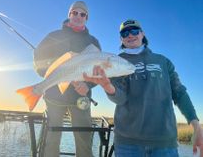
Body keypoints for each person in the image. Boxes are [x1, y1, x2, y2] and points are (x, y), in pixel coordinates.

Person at [84, 19, 203, 157]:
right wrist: (107, 86)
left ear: (142, 34)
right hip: (127, 144)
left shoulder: (162, 61)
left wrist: (196, 126)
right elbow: (121, 98)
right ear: (121, 38)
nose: (130, 35)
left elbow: (179, 93)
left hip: (164, 144)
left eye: (134, 31)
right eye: (125, 33)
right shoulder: (113, 63)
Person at [33, 1, 101, 157]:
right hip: (54, 97)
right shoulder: (53, 36)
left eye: (82, 14)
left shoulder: (93, 42)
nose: (78, 16)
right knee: (51, 139)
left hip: (81, 98)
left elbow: (98, 71)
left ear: (87, 18)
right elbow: (38, 57)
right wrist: (50, 74)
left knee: (84, 139)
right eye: (74, 13)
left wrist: (88, 86)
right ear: (69, 14)